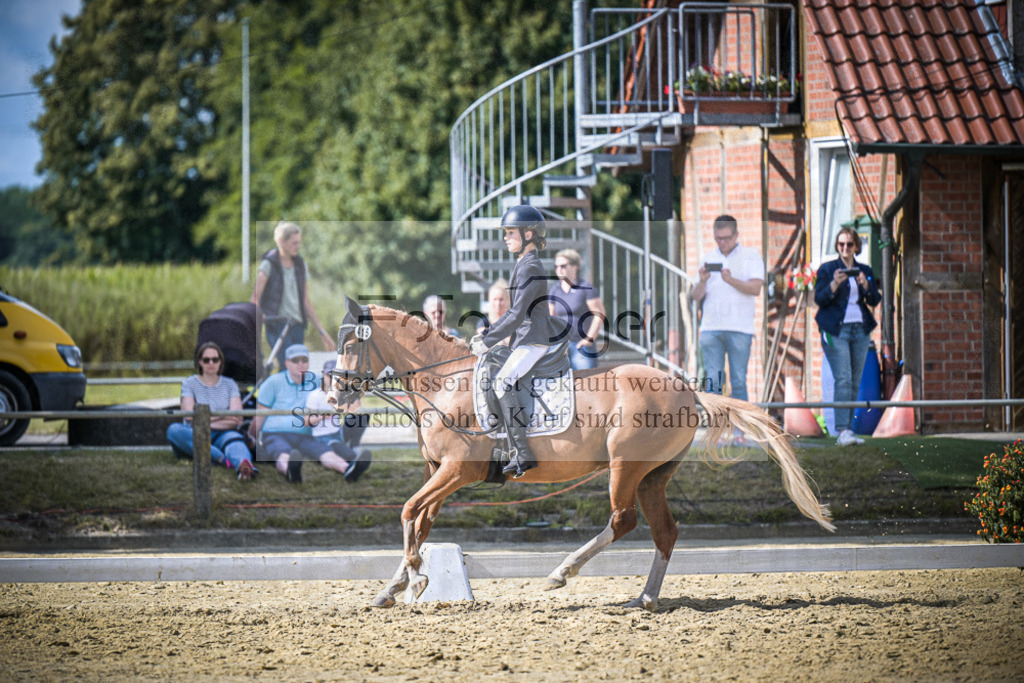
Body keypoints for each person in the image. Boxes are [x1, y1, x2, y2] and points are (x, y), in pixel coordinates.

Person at [469, 205, 557, 478]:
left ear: (528, 233)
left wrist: (487, 339)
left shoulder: (530, 266)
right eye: (505, 233)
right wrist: (488, 336)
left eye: (510, 232)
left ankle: (522, 452)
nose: (505, 237)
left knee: (501, 382)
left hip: (534, 339)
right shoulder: (522, 264)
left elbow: (517, 313)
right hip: (524, 339)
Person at [247, 344, 371, 483]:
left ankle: (348, 469)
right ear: (286, 363)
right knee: (282, 453)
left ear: (308, 362)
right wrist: (250, 439)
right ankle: (290, 471)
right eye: (295, 360)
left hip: (306, 435)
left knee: (324, 452)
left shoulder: (318, 379)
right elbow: (260, 414)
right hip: (277, 433)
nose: (300, 364)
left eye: (304, 360)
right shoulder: (272, 383)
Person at [814, 226, 882, 447]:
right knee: (842, 378)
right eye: (841, 244)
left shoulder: (865, 269)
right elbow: (820, 299)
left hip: (860, 330)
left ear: (856, 246)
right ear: (837, 246)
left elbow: (874, 300)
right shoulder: (827, 269)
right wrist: (835, 283)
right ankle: (842, 431)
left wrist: (865, 284)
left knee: (853, 381)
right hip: (835, 330)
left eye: (849, 244)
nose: (845, 248)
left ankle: (848, 431)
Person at [691, 214, 765, 403]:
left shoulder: (751, 255)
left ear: (736, 235)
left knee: (738, 382)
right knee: (713, 382)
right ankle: (717, 430)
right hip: (711, 328)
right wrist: (702, 280)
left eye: (726, 238)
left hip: (740, 328)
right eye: (718, 238)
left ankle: (739, 431)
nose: (722, 242)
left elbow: (756, 289)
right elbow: (695, 296)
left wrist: (730, 280)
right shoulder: (707, 258)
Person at [250, 221, 335, 370]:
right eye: (294, 243)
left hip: (297, 325)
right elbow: (254, 298)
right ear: (282, 241)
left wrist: (322, 332)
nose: (298, 246)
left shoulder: (300, 265)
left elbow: (306, 302)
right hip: (277, 324)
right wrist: (261, 317)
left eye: (299, 242)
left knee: (298, 368)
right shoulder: (268, 264)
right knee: (287, 366)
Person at [166, 342, 256, 481]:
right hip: (195, 433)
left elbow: (237, 419)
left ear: (221, 362)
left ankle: (244, 467)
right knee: (174, 430)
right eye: (206, 360)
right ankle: (222, 459)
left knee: (235, 441)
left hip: (223, 433)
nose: (211, 363)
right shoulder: (189, 383)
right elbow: (189, 416)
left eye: (215, 359)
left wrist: (203, 420)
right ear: (199, 362)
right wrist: (222, 416)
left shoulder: (230, 384)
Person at [548, 248, 607, 370]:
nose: (559, 269)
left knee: (587, 384)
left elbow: (599, 314)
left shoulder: (585, 288)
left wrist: (589, 338)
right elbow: (551, 316)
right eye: (556, 266)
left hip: (581, 345)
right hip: (561, 345)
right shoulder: (555, 290)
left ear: (575, 266)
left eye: (563, 265)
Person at [306, 360, 370, 464]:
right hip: (323, 437)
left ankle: (354, 447)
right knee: (350, 456)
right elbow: (306, 422)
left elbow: (357, 409)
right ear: (324, 375)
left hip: (338, 432)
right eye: (329, 375)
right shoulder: (315, 395)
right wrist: (323, 416)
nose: (332, 379)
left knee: (362, 417)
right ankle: (352, 457)